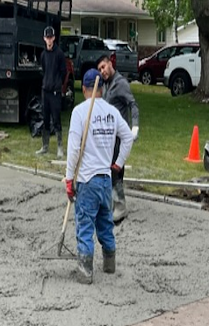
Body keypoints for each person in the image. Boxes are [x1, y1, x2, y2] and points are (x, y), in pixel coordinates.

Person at [64, 68, 133, 283]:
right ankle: (109, 265)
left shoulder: (80, 112)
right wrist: (118, 164)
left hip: (87, 180)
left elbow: (74, 148)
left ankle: (85, 271)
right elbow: (128, 137)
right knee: (105, 224)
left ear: (84, 88)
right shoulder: (112, 112)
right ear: (101, 88)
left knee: (85, 224)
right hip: (105, 181)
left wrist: (68, 178)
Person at [96, 55, 140, 223]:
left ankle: (120, 206)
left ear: (110, 63)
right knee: (108, 168)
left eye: (103, 67)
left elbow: (133, 105)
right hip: (107, 136)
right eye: (100, 69)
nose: (102, 71)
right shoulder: (105, 85)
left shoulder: (120, 83)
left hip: (119, 136)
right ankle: (112, 203)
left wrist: (134, 127)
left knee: (116, 169)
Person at [36, 25, 69, 158]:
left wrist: (58, 84)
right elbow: (43, 69)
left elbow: (64, 71)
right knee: (45, 118)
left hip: (55, 91)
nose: (49, 40)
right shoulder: (43, 55)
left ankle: (60, 147)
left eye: (51, 37)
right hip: (45, 90)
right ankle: (45, 146)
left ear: (54, 38)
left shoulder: (59, 54)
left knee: (56, 119)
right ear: (44, 39)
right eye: (47, 38)